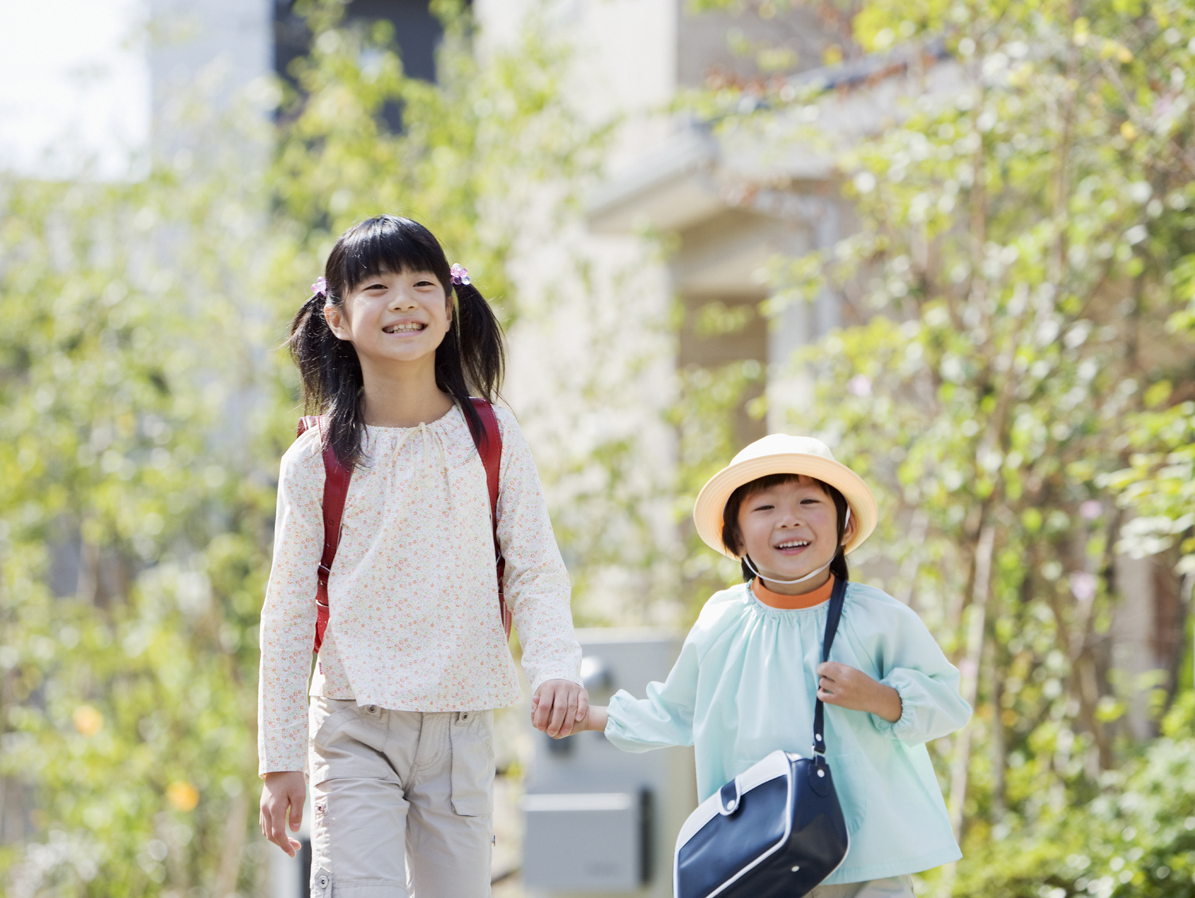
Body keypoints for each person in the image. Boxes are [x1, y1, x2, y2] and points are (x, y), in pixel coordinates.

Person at [257, 215, 586, 898]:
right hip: (352, 725)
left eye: (421, 283)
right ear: (338, 316)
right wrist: (278, 759)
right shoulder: (314, 461)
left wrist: (556, 663)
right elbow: (287, 613)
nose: (403, 299)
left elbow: (533, 567)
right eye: (376, 285)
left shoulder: (492, 436)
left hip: (462, 728)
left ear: (448, 305)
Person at [560, 434, 972, 898]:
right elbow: (676, 710)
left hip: (866, 856)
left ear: (845, 525)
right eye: (765, 508)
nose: (789, 518)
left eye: (809, 501)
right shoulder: (723, 620)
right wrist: (592, 718)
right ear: (735, 537)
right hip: (761, 857)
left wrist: (879, 697)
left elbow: (948, 703)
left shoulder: (878, 617)